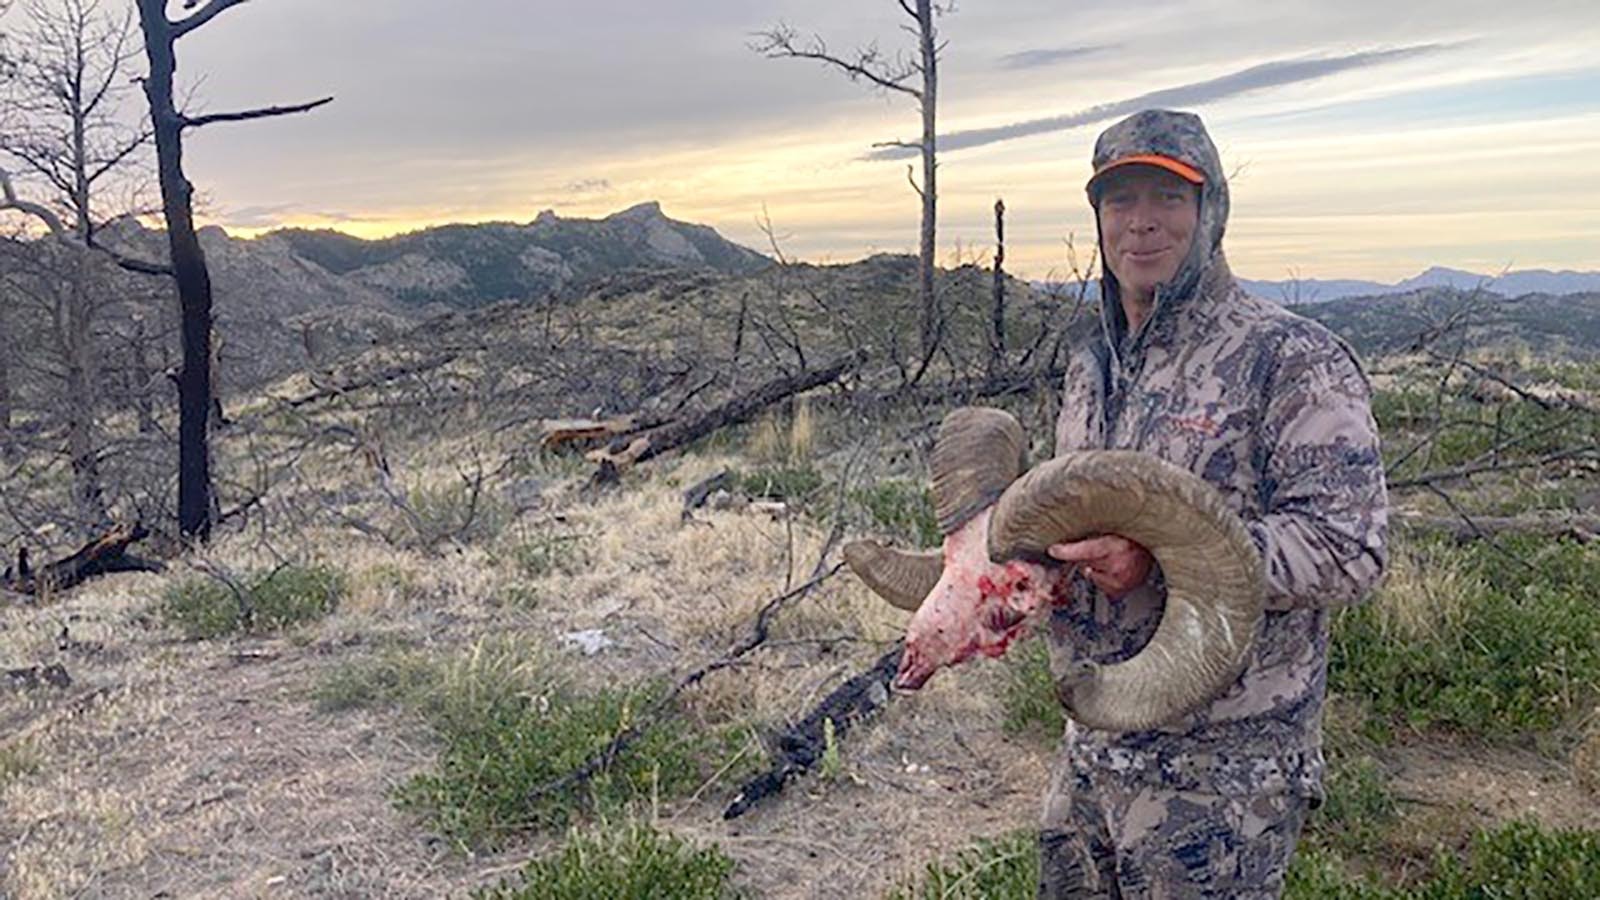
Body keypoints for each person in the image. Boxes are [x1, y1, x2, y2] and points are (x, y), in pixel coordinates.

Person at [1037, 109, 1390, 898]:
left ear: (1212, 211)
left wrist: (1162, 560)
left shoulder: (1290, 357)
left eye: (1169, 197)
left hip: (1223, 773)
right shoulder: (1091, 364)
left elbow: (1348, 546)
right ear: (1096, 217)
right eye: (1120, 199)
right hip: (1092, 743)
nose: (1142, 222)